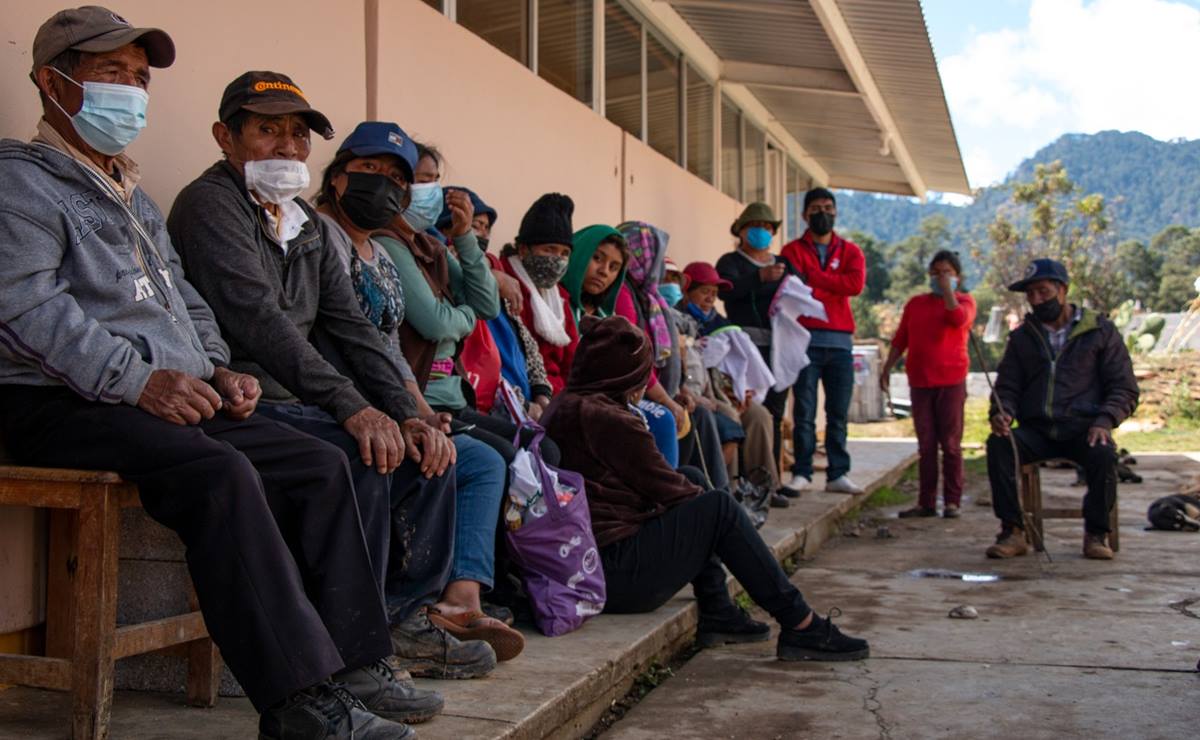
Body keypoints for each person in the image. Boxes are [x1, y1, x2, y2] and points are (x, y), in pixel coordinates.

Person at [1, 9, 417, 737]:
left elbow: (182, 300)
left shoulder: (130, 194)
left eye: (138, 77)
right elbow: (27, 309)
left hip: (148, 397)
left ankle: (354, 664)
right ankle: (297, 704)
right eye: (110, 74)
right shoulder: (20, 183)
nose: (130, 91)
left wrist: (216, 371)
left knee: (319, 464)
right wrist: (139, 381)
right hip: (53, 398)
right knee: (218, 475)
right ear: (52, 83)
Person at [166, 74, 496, 683]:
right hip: (238, 402)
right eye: (268, 130)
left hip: (297, 403)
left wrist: (412, 413)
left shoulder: (306, 227)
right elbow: (261, 323)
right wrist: (352, 407)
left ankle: (404, 619)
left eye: (298, 134)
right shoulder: (210, 204)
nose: (288, 146)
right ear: (225, 136)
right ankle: (352, 652)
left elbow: (353, 330)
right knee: (362, 453)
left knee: (431, 453)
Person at [313, 121, 523, 662]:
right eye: (369, 171)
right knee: (456, 458)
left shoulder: (389, 253)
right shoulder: (322, 238)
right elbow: (432, 325)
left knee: (471, 455)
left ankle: (444, 603)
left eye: (399, 179)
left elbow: (396, 341)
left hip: (394, 398)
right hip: (337, 401)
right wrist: (399, 411)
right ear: (338, 177)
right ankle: (404, 618)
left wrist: (419, 412)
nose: (386, 186)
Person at [541, 317, 870, 662]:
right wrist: (729, 522)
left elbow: (660, 485)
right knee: (717, 507)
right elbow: (667, 490)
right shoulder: (606, 417)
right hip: (613, 575)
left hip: (588, 562)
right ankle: (801, 623)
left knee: (694, 478)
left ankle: (717, 610)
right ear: (624, 374)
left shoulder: (567, 404)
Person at [983, 259, 1138, 560]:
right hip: (1037, 429)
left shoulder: (1100, 331)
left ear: (1063, 290)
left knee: (1104, 453)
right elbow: (1007, 387)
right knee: (1000, 444)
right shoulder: (1022, 338)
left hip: (1084, 427)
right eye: (1031, 294)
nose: (1037, 300)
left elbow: (1124, 387)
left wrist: (1104, 420)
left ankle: (1096, 533)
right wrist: (1002, 413)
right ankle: (1013, 531)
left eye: (1043, 291)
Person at [563, 224, 679, 467]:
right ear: (581, 253)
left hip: (608, 401)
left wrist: (667, 399)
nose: (604, 271)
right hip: (571, 403)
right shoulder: (559, 303)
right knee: (659, 419)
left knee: (663, 417)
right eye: (597, 259)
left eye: (614, 267)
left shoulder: (608, 315)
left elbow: (633, 361)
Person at [780, 188, 866, 495]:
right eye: (816, 208)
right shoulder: (791, 251)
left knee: (838, 412)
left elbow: (854, 285)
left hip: (841, 342)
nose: (823, 213)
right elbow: (794, 287)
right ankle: (802, 471)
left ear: (836, 212)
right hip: (804, 340)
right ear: (804, 214)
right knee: (804, 410)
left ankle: (837, 473)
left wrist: (814, 279)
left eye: (828, 208)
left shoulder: (852, 251)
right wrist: (831, 284)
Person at [880, 250, 977, 518]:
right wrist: (887, 367)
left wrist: (948, 293)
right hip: (920, 381)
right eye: (936, 273)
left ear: (957, 276)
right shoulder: (916, 304)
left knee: (951, 443)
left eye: (946, 272)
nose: (940, 278)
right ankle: (926, 502)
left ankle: (952, 501)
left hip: (951, 380)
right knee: (926, 444)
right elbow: (901, 338)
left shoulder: (965, 301)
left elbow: (957, 320)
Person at [715, 202, 798, 493]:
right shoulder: (730, 263)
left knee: (774, 412)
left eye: (766, 227)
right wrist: (759, 279)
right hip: (743, 348)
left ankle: (771, 478)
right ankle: (747, 479)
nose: (761, 232)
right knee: (748, 406)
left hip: (779, 346)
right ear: (741, 231)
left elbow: (798, 291)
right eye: (755, 227)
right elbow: (728, 291)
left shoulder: (784, 263)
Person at [499, 193, 580, 396]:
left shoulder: (560, 297)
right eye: (549, 249)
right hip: (524, 391)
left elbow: (573, 362)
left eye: (564, 254)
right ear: (524, 249)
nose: (558, 260)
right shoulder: (506, 285)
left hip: (560, 393)